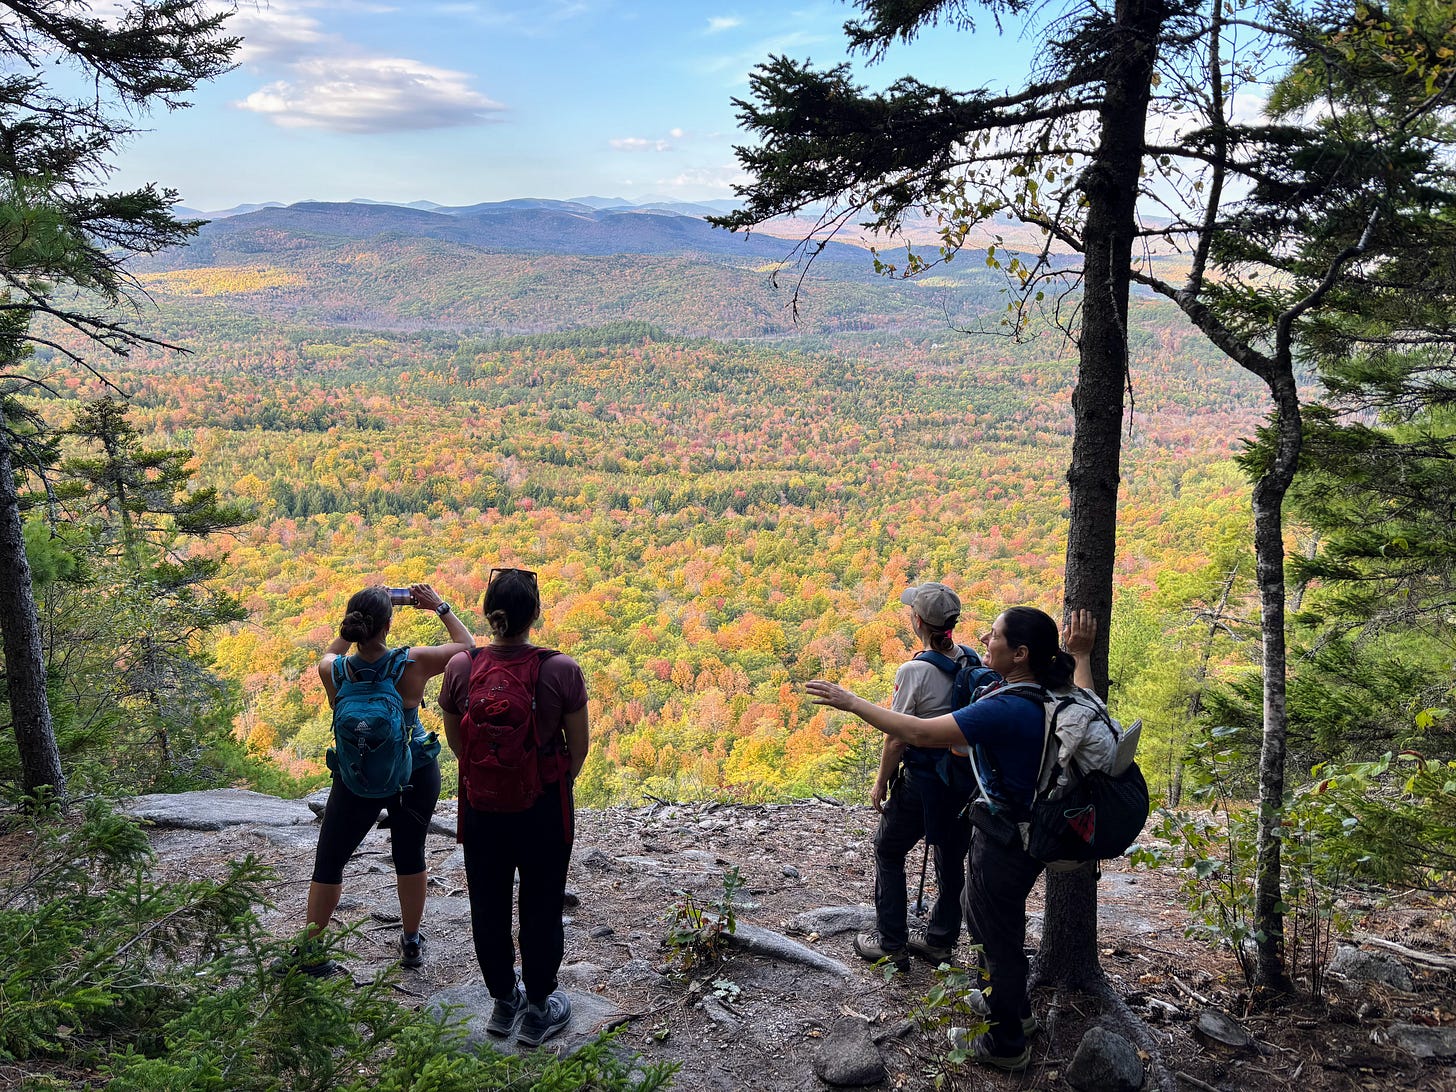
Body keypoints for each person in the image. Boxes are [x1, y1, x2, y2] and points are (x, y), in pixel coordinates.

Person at [808, 607, 1096, 1073]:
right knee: (1000, 926)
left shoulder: (1006, 706)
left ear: (1020, 654)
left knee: (994, 933)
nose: (986, 637)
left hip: (1007, 840)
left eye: (997, 635)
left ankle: (1006, 1044)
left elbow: (918, 731)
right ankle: (1016, 1015)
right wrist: (1080, 654)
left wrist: (850, 701)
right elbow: (1087, 698)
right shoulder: (1057, 691)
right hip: (1042, 834)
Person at [439, 567, 590, 1048]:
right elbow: (578, 748)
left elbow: (457, 744)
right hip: (544, 805)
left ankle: (504, 1002)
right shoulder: (560, 669)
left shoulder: (461, 667)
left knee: (487, 901)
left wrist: (491, 775)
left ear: (488, 614)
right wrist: (546, 782)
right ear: (536, 615)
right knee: (542, 903)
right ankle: (540, 1006)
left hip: (481, 805)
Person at [295, 582, 474, 975]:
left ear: (351, 625)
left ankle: (310, 950)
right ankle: (410, 940)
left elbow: (329, 653)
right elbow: (468, 647)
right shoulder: (413, 662)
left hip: (354, 774)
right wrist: (438, 606)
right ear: (389, 625)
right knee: (409, 855)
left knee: (329, 862)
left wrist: (349, 630)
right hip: (412, 771)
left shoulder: (334, 670)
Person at [856, 583, 983, 972]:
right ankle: (939, 941)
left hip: (922, 782)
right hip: (963, 782)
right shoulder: (972, 661)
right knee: (951, 856)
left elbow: (897, 736)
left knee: (889, 849)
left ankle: (892, 943)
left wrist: (881, 781)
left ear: (918, 622)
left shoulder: (914, 670)